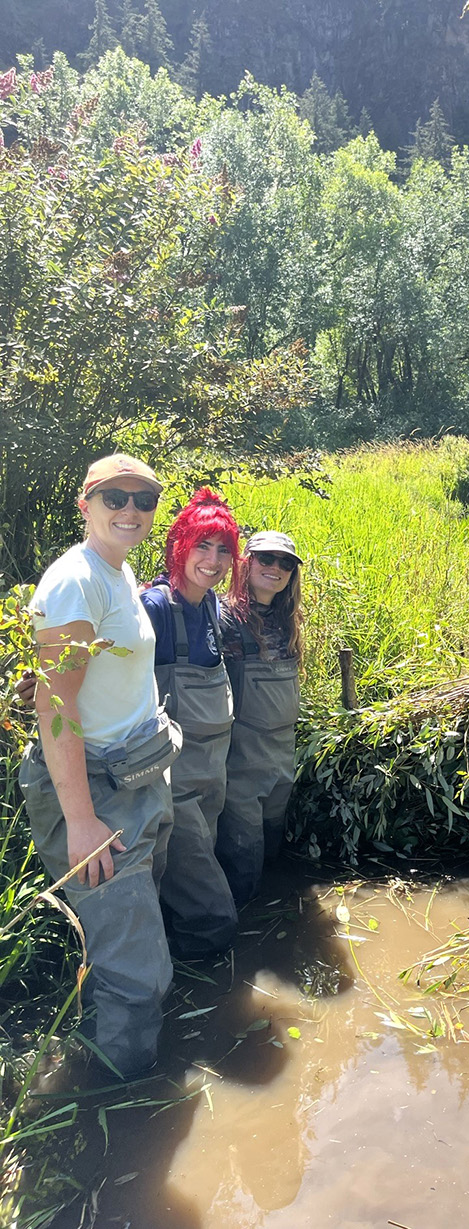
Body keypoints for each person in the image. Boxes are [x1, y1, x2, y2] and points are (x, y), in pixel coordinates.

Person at [19, 454, 177, 1078]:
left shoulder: (116, 569)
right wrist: (80, 821)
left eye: (144, 498)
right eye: (115, 498)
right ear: (85, 504)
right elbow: (55, 705)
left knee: (127, 944)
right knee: (137, 975)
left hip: (131, 776)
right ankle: (115, 1110)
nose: (131, 510)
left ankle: (113, 1059)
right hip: (95, 792)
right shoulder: (76, 581)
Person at [140, 489, 241, 959]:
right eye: (203, 545)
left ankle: (179, 960)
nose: (214, 559)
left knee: (194, 887)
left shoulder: (212, 606)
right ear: (178, 545)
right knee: (214, 916)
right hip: (173, 786)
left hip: (211, 779)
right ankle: (204, 1001)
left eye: (223, 549)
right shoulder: (156, 608)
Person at [216, 531, 304, 907]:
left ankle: (277, 914)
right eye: (266, 559)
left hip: (282, 756)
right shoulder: (223, 618)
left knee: (272, 846)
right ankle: (245, 936)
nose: (276, 568)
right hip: (241, 761)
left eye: (285, 563)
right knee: (243, 855)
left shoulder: (288, 622)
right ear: (245, 562)